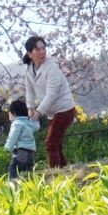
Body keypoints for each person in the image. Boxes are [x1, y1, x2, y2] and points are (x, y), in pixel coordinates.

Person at [19, 36, 78, 168]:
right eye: (38, 49)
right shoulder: (29, 69)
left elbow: (51, 95)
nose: (42, 52)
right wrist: (30, 107)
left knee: (51, 143)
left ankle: (55, 175)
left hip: (65, 109)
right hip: (53, 112)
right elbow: (29, 90)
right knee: (57, 144)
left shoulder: (52, 68)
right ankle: (64, 171)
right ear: (30, 53)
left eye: (44, 48)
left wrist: (38, 112)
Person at [3, 98, 39, 176]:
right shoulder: (28, 122)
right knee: (28, 173)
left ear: (14, 113)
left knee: (13, 170)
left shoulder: (17, 123)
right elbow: (36, 127)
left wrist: (8, 147)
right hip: (30, 152)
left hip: (20, 152)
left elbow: (13, 136)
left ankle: (13, 186)